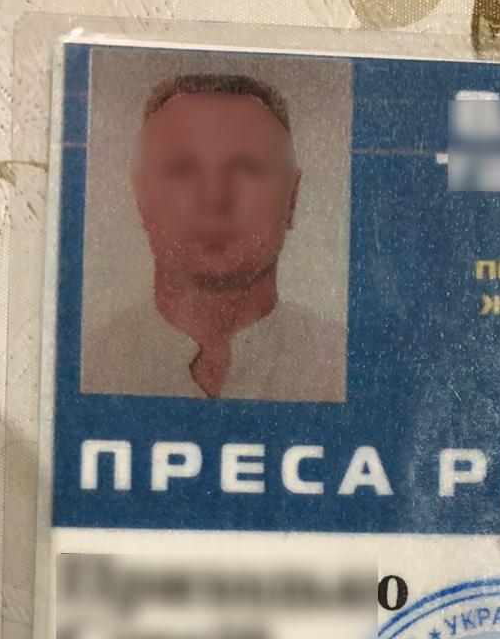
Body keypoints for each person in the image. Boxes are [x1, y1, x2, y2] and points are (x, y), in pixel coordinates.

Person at [81, 73, 346, 402]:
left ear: (291, 198)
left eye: (248, 168)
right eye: (181, 169)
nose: (215, 199)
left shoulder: (343, 366)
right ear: (141, 197)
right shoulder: (88, 367)